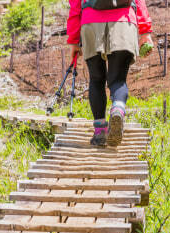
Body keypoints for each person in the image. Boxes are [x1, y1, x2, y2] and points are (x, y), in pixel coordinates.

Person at [67, 0, 153, 146]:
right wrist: (145, 31)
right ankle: (118, 109)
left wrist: (74, 41)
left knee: (96, 79)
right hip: (123, 22)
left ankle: (100, 132)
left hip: (90, 23)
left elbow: (75, 7)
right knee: (118, 79)